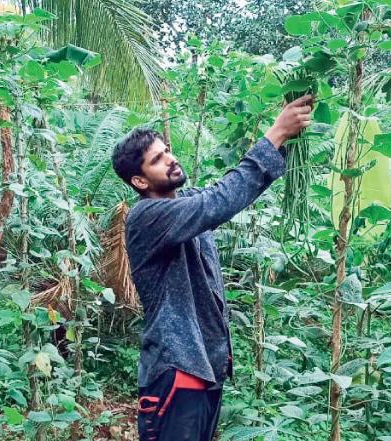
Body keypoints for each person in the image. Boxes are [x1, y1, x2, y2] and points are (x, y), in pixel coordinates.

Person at [111, 95, 314, 441]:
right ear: (140, 182)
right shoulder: (147, 217)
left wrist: (284, 143)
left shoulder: (186, 203)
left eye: (167, 151)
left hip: (205, 369)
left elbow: (229, 193)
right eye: (157, 160)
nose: (170, 159)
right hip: (177, 369)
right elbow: (217, 201)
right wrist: (276, 133)